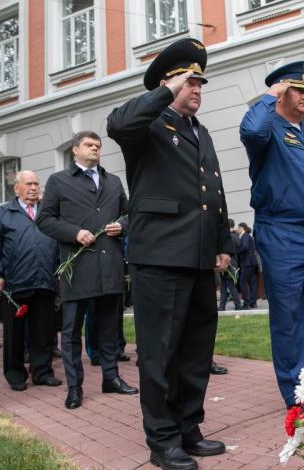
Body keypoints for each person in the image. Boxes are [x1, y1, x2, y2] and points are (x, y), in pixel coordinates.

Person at [107, 37, 233, 470]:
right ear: (168, 83)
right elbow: (116, 124)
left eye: (200, 82)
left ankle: (188, 428)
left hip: (199, 256)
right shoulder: (148, 124)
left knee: (196, 350)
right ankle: (162, 441)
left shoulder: (202, 132)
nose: (196, 88)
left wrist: (223, 244)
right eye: (188, 81)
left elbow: (213, 192)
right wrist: (164, 92)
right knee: (160, 352)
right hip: (159, 256)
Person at [240, 60, 304, 409]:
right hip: (283, 234)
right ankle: (296, 392)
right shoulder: (267, 130)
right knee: (288, 316)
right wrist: (270, 96)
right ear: (282, 91)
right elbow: (251, 130)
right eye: (298, 90)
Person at [37, 131, 137, 410]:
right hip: (76, 266)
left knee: (109, 327)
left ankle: (111, 377)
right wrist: (73, 232)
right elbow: (44, 220)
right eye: (89, 145)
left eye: (98, 146)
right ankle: (74, 387)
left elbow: (130, 213)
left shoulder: (113, 181)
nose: (95, 149)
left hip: (109, 265)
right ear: (75, 150)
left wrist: (123, 225)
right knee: (71, 331)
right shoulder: (59, 181)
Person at [0, 171, 61, 391]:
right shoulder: (2, 214)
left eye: (36, 183)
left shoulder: (48, 213)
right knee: (14, 334)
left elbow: (57, 243)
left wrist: (60, 270)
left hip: (44, 282)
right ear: (16, 188)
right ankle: (15, 374)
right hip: (14, 285)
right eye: (29, 184)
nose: (34, 187)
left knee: (43, 332)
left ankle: (42, 372)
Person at [218, 219, 242, 311]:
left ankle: (237, 305)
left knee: (230, 287)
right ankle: (222, 306)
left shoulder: (228, 237)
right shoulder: (236, 237)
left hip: (228, 264)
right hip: (233, 263)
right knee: (224, 287)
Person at [236, 222, 258, 308]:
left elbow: (244, 247)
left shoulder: (244, 236)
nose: (237, 230)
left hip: (246, 263)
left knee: (242, 282)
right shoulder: (249, 236)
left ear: (242, 228)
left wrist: (237, 252)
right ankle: (253, 302)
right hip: (252, 263)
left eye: (238, 228)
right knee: (252, 283)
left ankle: (247, 303)